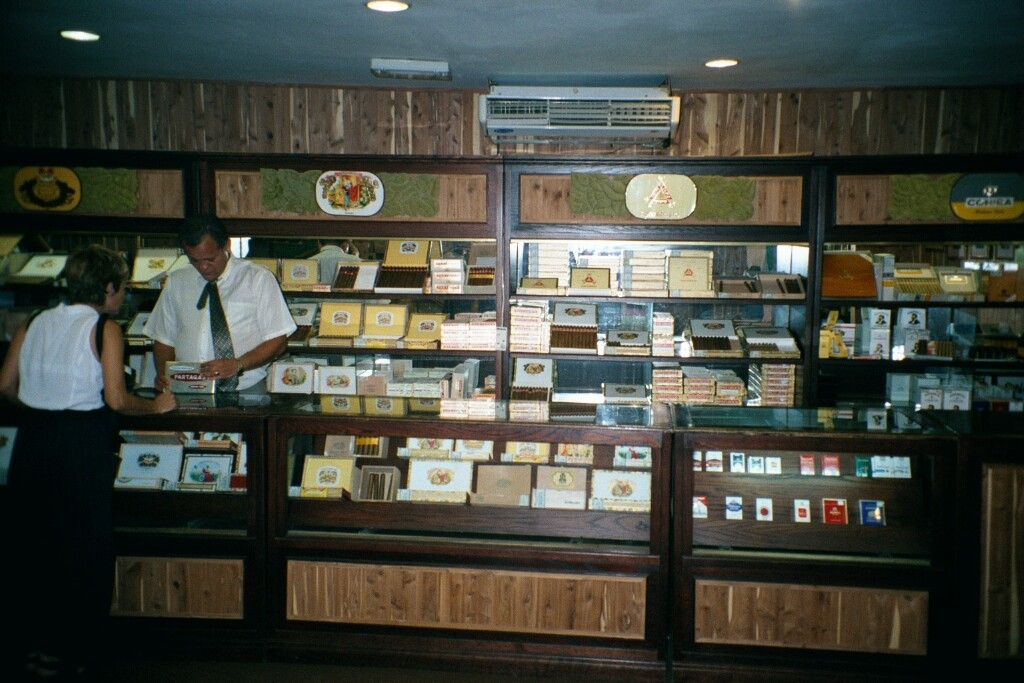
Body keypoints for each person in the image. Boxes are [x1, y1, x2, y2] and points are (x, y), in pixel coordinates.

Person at [0, 244, 177, 680]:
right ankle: (74, 654)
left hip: (33, 443)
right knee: (82, 550)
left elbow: (5, 386)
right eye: (122, 287)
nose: (123, 295)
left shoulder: (33, 321)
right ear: (108, 287)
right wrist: (156, 407)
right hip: (80, 446)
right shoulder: (104, 329)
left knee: (34, 548)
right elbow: (116, 399)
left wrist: (41, 407)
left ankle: (33, 649)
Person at [145, 214, 296, 392]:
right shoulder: (177, 281)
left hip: (245, 387)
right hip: (187, 388)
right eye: (194, 260)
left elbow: (277, 341)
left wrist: (238, 364)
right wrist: (164, 373)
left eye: (210, 259)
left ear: (226, 246)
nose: (203, 267)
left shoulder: (257, 279)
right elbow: (163, 338)